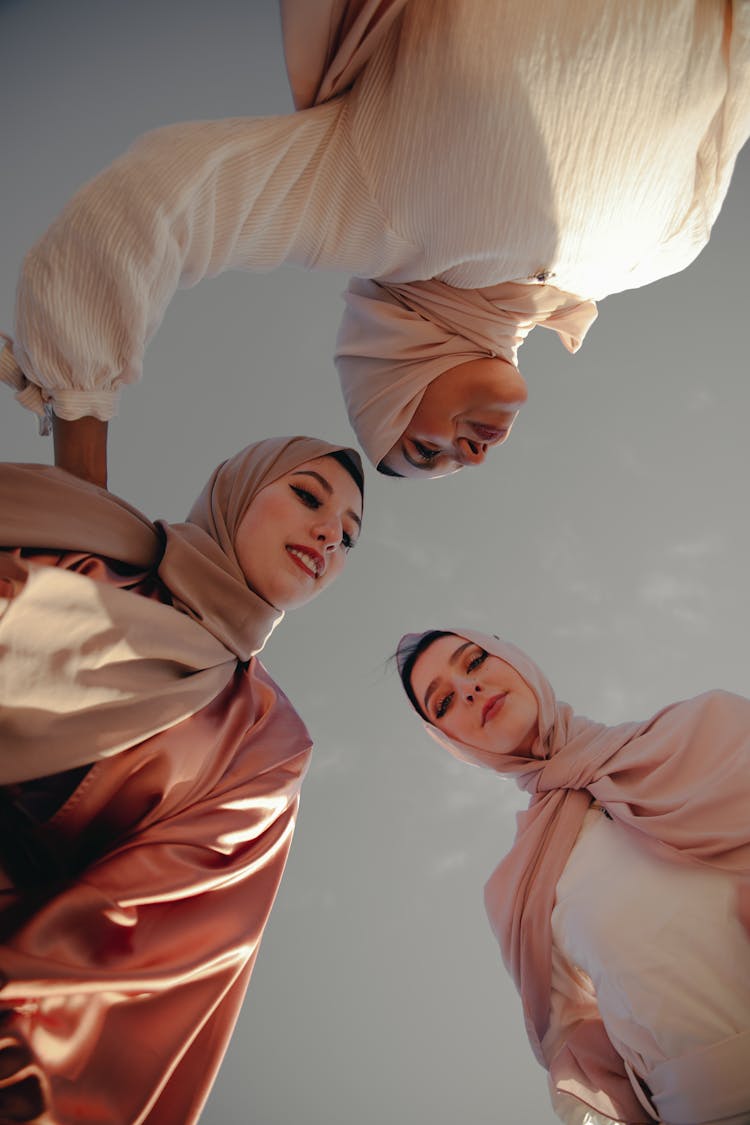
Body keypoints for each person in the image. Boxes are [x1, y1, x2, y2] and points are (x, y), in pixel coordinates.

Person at [2, 0, 748, 484]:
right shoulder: (655, 257)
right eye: (455, 461)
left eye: (427, 448)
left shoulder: (375, 210)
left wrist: (81, 478)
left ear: (391, 372)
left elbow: (151, 202)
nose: (476, 453)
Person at [0, 435, 363, 1124]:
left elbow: (141, 937)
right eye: (310, 496)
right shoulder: (89, 543)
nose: (328, 535)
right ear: (235, 490)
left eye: (349, 537)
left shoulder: (265, 739)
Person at [396, 629, 750, 1125]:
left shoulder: (710, 728)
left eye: (474, 662)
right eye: (445, 701)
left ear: (515, 657)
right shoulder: (518, 891)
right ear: (451, 741)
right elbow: (580, 1051)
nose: (469, 689)